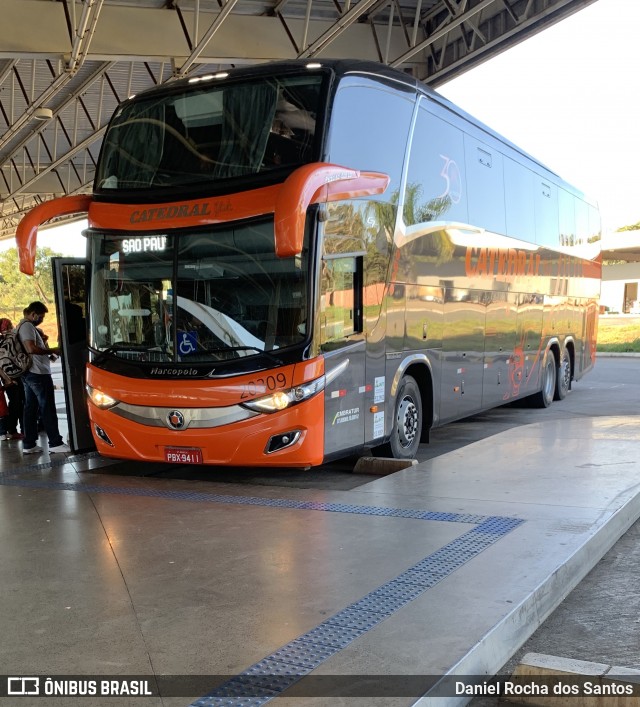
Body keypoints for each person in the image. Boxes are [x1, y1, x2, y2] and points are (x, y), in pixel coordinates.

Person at [17, 302, 70, 455]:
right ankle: (55, 442)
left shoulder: (24, 326)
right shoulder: (27, 326)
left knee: (31, 409)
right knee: (47, 407)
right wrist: (51, 350)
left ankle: (29, 444)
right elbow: (30, 348)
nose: (41, 319)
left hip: (30, 373)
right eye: (40, 316)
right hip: (37, 373)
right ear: (33, 313)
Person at [0, 317, 25, 439]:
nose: (10, 328)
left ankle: (16, 429)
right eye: (8, 326)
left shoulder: (6, 340)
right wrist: (7, 379)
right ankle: (12, 429)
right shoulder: (8, 340)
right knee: (16, 403)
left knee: (17, 402)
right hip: (12, 377)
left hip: (10, 376)